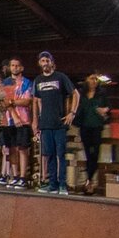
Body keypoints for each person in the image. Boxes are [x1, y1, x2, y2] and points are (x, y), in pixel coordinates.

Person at [32, 51, 79, 197]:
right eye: (42, 61)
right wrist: (35, 120)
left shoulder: (60, 77)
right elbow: (36, 100)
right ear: (39, 63)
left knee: (60, 154)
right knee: (49, 155)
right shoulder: (38, 80)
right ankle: (52, 184)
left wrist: (72, 113)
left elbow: (76, 94)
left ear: (52, 62)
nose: (45, 63)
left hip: (59, 123)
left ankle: (62, 184)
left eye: (47, 60)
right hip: (45, 124)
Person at [0, 58, 34, 190]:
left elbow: (27, 101)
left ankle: (23, 177)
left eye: (17, 65)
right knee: (12, 148)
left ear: (21, 68)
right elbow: (3, 101)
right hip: (9, 121)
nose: (15, 68)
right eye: (12, 65)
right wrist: (13, 110)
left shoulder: (27, 82)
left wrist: (12, 102)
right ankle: (15, 176)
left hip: (23, 119)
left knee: (22, 148)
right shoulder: (5, 83)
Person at [76, 73, 109, 196]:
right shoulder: (81, 93)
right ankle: (89, 181)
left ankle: (89, 180)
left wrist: (104, 110)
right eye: (91, 78)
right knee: (88, 154)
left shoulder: (102, 93)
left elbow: (108, 107)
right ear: (86, 80)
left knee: (95, 154)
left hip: (96, 126)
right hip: (85, 126)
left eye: (96, 79)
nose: (94, 81)